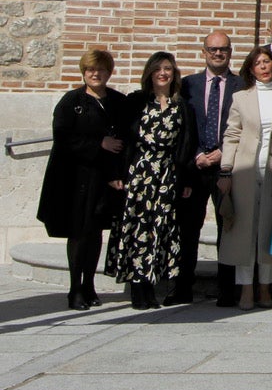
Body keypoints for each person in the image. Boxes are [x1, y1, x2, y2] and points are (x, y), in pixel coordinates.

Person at [37, 49, 129, 310]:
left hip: (105, 180)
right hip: (76, 180)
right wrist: (99, 143)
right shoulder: (71, 101)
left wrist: (118, 174)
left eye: (100, 69)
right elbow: (63, 137)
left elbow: (125, 139)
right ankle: (74, 288)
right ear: (83, 72)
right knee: (79, 232)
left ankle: (89, 284)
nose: (95, 74)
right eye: (90, 70)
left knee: (96, 231)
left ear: (109, 72)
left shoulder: (117, 102)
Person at [105, 51, 197, 310]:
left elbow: (187, 144)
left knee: (160, 229)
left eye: (168, 68)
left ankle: (151, 284)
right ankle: (138, 288)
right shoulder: (136, 102)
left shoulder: (182, 106)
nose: (163, 73)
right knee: (137, 230)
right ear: (150, 73)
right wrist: (116, 173)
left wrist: (186, 178)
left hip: (167, 175)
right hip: (139, 173)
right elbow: (122, 138)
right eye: (158, 68)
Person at [171, 31, 243, 307]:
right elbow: (181, 127)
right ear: (204, 52)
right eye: (212, 49)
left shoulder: (241, 85)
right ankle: (182, 287)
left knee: (228, 228)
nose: (217, 53)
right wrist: (197, 155)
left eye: (223, 49)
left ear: (230, 52)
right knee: (188, 230)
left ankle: (227, 290)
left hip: (226, 167)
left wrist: (222, 154)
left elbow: (244, 126)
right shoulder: (188, 85)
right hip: (194, 167)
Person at [217, 47, 272, 310]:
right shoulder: (241, 97)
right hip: (245, 169)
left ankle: (265, 289)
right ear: (251, 69)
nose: (263, 67)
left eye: (267, 62)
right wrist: (226, 169)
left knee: (268, 231)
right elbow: (232, 134)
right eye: (258, 63)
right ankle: (246, 289)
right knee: (244, 233)